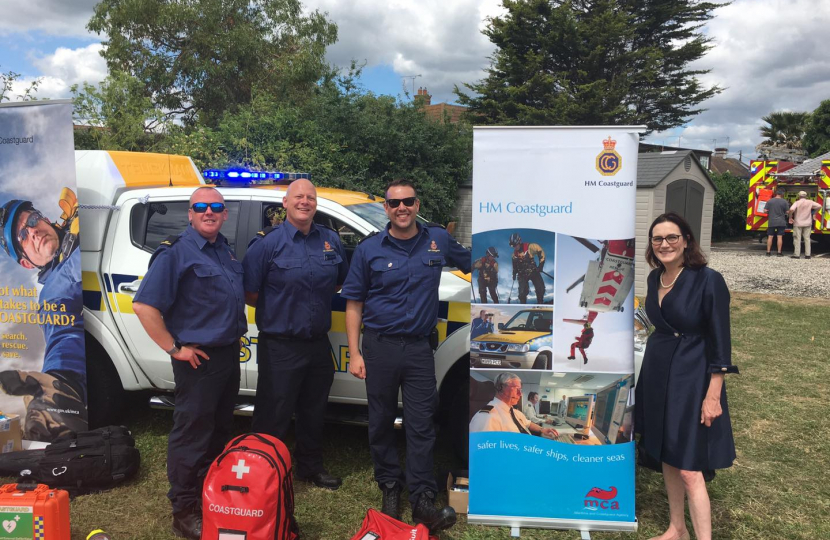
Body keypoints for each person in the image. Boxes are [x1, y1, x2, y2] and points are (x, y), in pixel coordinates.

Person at [341, 179, 470, 533]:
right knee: (381, 420)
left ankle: (423, 499)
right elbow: (354, 303)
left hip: (418, 348)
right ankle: (389, 486)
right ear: (386, 208)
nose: (402, 208)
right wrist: (355, 353)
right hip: (379, 346)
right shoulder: (369, 250)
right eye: (394, 203)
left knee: (421, 423)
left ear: (416, 204)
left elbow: (474, 263)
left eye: (408, 201)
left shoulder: (437, 239)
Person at [133, 187, 247, 540]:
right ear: (191, 213)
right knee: (192, 435)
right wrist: (175, 348)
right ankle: (183, 511)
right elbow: (144, 306)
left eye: (216, 207)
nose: (209, 212)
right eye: (201, 207)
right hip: (198, 361)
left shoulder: (223, 250)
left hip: (227, 356)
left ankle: (209, 497)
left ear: (224, 213)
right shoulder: (175, 254)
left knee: (218, 431)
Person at [635, 212, 738, 540]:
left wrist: (713, 394)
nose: (664, 244)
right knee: (666, 451)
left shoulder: (708, 280)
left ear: (686, 240)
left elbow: (721, 341)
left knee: (690, 466)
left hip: (693, 378)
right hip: (657, 373)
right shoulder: (654, 279)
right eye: (657, 239)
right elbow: (656, 324)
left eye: (671, 237)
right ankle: (676, 528)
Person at [242, 179, 348, 490]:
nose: (305, 202)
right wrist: (283, 307)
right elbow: (249, 291)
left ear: (316, 203)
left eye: (310, 197)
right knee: (272, 414)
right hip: (281, 344)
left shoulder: (330, 240)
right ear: (285, 203)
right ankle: (262, 474)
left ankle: (309, 467)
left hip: (317, 344)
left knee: (313, 411)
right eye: (298, 197)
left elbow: (339, 282)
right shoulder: (266, 244)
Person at [0, 193, 87, 441]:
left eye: (33, 220)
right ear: (27, 264)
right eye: (23, 237)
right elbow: (64, 332)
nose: (33, 231)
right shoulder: (55, 291)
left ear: (47, 220)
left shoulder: (79, 219)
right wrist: (60, 381)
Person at [469, 373, 558, 437]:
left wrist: (542, 429)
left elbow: (528, 423)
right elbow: (483, 456)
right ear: (500, 387)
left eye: (520, 390)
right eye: (516, 389)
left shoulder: (514, 412)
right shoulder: (486, 417)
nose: (520, 394)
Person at [509, 233, 545, 304]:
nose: (515, 247)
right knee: (522, 293)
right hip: (522, 274)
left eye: (515, 245)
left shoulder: (530, 247)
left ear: (519, 241)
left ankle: (540, 303)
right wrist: (514, 273)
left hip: (533, 271)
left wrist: (540, 266)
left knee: (541, 288)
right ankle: (523, 304)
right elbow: (514, 266)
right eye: (513, 246)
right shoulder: (514, 255)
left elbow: (541, 252)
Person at [788, 191, 821, 259]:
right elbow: (819, 206)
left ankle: (797, 255)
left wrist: (790, 217)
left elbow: (791, 209)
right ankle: (807, 255)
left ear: (798, 196)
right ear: (806, 196)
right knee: (807, 239)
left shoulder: (797, 202)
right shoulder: (810, 202)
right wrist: (814, 213)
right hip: (808, 223)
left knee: (797, 239)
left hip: (798, 223)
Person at [764, 188, 789, 256]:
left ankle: (768, 252)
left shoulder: (770, 201)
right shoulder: (784, 202)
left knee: (770, 237)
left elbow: (765, 210)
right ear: (782, 194)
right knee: (779, 237)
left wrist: (770, 211)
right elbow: (787, 212)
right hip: (781, 222)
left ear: (776, 193)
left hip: (772, 221)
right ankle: (779, 252)